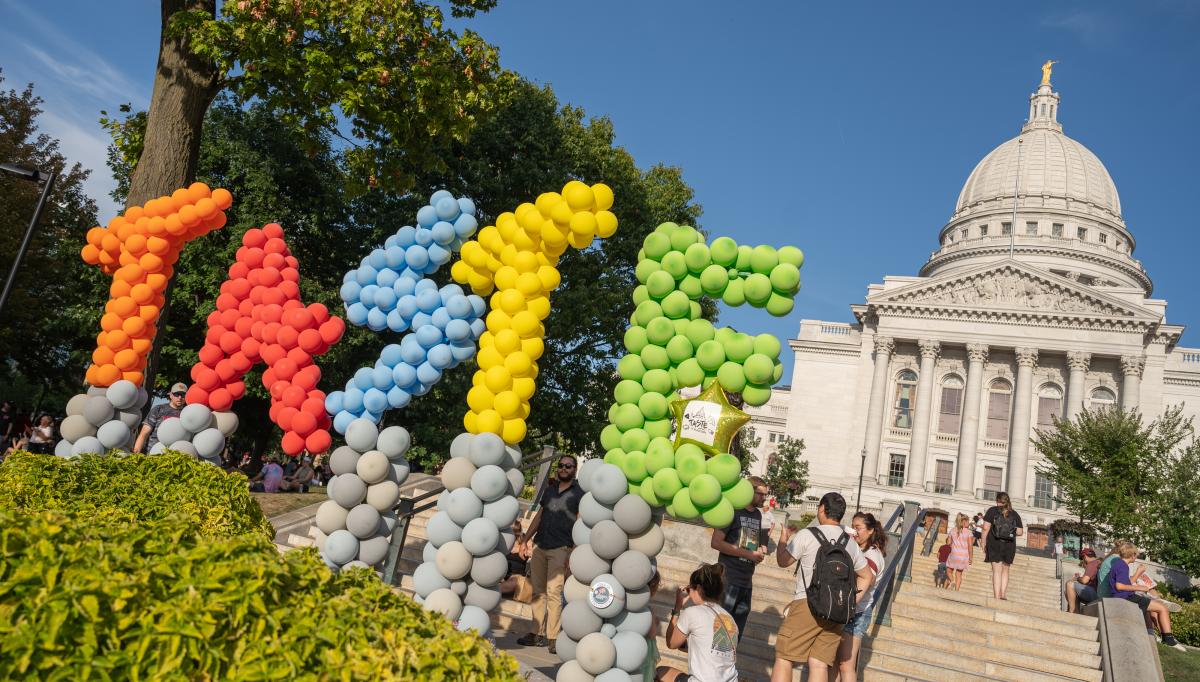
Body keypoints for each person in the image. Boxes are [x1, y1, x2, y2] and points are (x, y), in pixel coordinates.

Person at [772, 492, 872, 682]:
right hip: (837, 611)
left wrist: (783, 539)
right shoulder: (850, 543)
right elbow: (867, 576)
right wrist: (850, 602)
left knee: (784, 657)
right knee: (819, 664)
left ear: (821, 509)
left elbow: (783, 561)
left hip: (807, 604)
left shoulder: (807, 535)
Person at [517, 454, 582, 654]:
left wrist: (574, 551)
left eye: (568, 466)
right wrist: (525, 540)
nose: (563, 468)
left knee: (554, 593)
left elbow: (580, 522)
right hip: (541, 544)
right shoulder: (550, 490)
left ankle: (553, 638)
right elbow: (540, 515)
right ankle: (535, 633)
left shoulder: (580, 494)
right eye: (561, 465)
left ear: (574, 469)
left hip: (562, 547)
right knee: (538, 591)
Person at [710, 476, 771, 642]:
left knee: (735, 635)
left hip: (746, 581)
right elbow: (716, 542)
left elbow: (748, 544)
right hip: (728, 579)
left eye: (766, 494)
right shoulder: (732, 510)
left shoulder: (758, 515)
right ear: (748, 491)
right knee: (720, 633)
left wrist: (756, 552)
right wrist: (748, 554)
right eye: (761, 494)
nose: (764, 498)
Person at [659, 563, 739, 682]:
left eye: (689, 588)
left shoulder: (692, 613)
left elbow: (671, 643)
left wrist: (677, 609)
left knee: (659, 672)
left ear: (699, 589)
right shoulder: (730, 619)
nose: (688, 593)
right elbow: (709, 649)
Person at [834, 512, 887, 682]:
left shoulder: (872, 555)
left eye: (859, 528)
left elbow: (867, 581)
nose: (855, 532)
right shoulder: (859, 548)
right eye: (853, 527)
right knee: (834, 662)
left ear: (871, 530)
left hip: (857, 612)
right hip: (845, 608)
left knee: (845, 664)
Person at [1107, 543, 1187, 652]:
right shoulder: (1123, 566)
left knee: (1157, 607)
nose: (1137, 557)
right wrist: (1139, 587)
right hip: (1126, 597)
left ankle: (1166, 637)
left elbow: (1125, 583)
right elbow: (1119, 586)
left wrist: (1138, 574)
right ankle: (1169, 640)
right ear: (1133, 555)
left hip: (1124, 596)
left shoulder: (1118, 564)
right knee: (1162, 608)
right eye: (1136, 555)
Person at [981, 492, 1023, 600]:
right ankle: (1003, 594)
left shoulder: (992, 511)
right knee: (1005, 570)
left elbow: (985, 527)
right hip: (1009, 545)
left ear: (997, 500)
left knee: (996, 571)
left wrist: (983, 542)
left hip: (995, 543)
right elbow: (1020, 532)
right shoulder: (1014, 513)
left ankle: (996, 596)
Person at [134, 382, 187, 453]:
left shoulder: (187, 413)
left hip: (176, 456)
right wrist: (136, 452)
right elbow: (144, 433)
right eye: (176, 394)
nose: (180, 397)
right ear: (171, 395)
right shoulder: (158, 409)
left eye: (183, 395)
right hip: (154, 454)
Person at [498, 520, 533, 602]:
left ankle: (495, 591)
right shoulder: (503, 540)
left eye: (515, 535)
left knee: (514, 582)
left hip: (515, 575)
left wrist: (522, 550)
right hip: (500, 573)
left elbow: (533, 552)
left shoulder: (525, 540)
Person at [1065, 548, 1100, 613]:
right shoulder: (1097, 562)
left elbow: (1084, 580)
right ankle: (1076, 611)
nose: (1083, 560)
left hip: (1095, 594)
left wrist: (1078, 578)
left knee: (1069, 584)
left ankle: (1072, 611)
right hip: (1098, 593)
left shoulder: (1092, 564)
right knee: (1068, 592)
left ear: (1085, 556)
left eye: (1082, 558)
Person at [945, 513, 974, 591]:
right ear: (964, 522)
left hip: (954, 554)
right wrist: (971, 557)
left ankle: (952, 580)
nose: (969, 523)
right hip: (963, 556)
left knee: (949, 570)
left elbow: (948, 543)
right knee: (959, 574)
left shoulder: (953, 530)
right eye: (968, 521)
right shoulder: (969, 532)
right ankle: (957, 590)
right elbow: (970, 546)